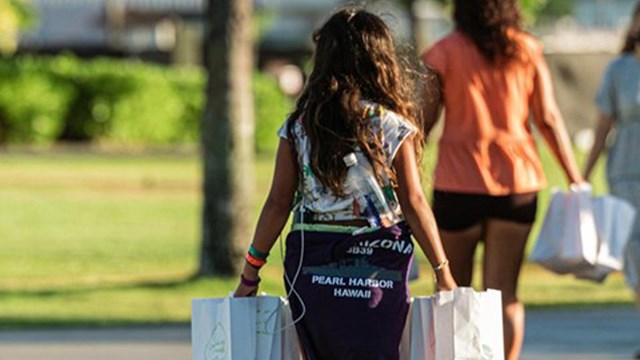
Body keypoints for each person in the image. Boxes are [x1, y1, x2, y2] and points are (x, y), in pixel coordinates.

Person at [233, 7, 457, 360]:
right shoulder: (393, 127)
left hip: (312, 262)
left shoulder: (299, 128)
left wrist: (250, 275)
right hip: (378, 264)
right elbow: (413, 202)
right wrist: (443, 271)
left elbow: (277, 204)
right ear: (381, 61)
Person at [420, 1, 584, 359]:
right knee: (505, 293)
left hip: (457, 184)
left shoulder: (443, 52)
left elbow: (424, 122)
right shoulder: (527, 48)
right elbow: (549, 119)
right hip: (517, 184)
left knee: (453, 292)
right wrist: (575, 177)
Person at [583, 3, 640, 358]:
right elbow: (603, 125)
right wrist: (582, 176)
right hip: (626, 175)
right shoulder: (619, 70)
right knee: (636, 255)